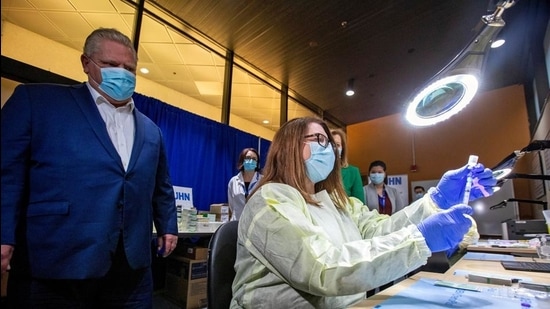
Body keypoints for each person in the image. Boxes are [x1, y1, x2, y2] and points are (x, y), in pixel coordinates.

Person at [230, 116, 495, 308]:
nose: (330, 150)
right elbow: (322, 268)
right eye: (320, 139)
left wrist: (436, 200)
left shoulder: (336, 201)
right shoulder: (270, 201)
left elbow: (382, 229)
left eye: (331, 145)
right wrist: (420, 239)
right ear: (289, 147)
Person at [1, 28, 178, 308]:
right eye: (110, 65)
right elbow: (7, 174)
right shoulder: (37, 102)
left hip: (130, 266)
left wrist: (168, 225)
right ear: (86, 63)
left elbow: (161, 184)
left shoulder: (151, 129)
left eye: (129, 68)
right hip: (57, 259)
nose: (122, 73)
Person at [331, 129, 365, 204]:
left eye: (337, 145)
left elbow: (360, 204)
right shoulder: (320, 171)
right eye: (331, 144)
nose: (334, 148)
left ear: (343, 148)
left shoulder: (353, 172)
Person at [227, 148, 263, 220]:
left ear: (257, 163)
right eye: (248, 158)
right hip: (237, 222)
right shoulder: (233, 181)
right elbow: (231, 205)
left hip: (256, 223)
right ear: (242, 160)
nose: (251, 161)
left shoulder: (263, 181)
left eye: (254, 159)